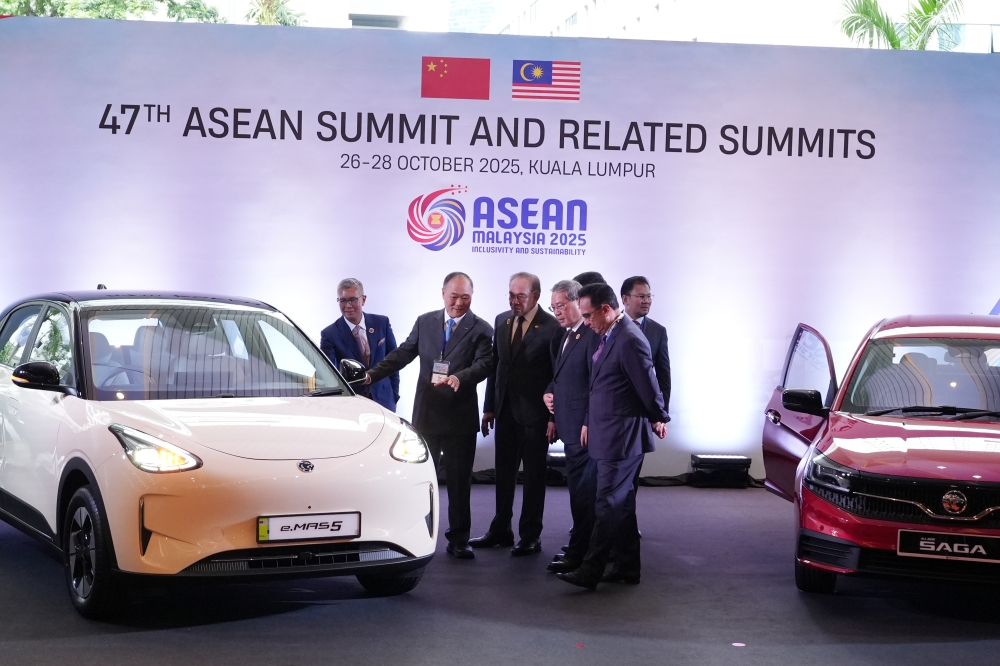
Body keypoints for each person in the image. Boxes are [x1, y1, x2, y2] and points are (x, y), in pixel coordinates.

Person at [365, 272, 494, 559]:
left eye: (465, 298)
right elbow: (403, 354)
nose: (459, 303)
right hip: (427, 414)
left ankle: (459, 539)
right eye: (454, 296)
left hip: (460, 417)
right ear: (443, 294)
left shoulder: (482, 329)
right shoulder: (425, 322)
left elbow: (485, 364)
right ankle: (413, 535)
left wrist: (461, 377)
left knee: (460, 482)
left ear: (472, 297)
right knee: (420, 480)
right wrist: (371, 376)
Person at [556, 283, 668, 590]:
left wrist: (659, 416)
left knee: (606, 502)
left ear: (607, 309)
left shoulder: (630, 339)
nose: (587, 322)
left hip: (623, 437)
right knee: (623, 503)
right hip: (606, 432)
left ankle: (590, 570)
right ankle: (627, 567)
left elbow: (648, 384)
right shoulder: (607, 334)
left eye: (590, 315)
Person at [472, 272, 562, 556]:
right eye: (511, 295)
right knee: (504, 474)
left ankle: (530, 535)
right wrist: (488, 407)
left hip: (536, 416)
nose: (514, 301)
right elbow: (496, 368)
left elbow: (557, 375)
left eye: (520, 296)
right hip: (505, 411)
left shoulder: (552, 326)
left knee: (534, 477)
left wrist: (553, 418)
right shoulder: (502, 321)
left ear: (535, 296)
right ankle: (501, 530)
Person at [542, 279, 599, 574]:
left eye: (562, 306)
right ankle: (579, 547)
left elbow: (596, 384)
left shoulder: (592, 336)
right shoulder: (564, 335)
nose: (557, 312)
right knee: (578, 493)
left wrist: (588, 421)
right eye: (553, 308)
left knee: (584, 495)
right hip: (568, 426)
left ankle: (581, 555)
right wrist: (548, 393)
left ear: (579, 302)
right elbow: (559, 376)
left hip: (584, 431)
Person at [320, 278, 400, 412]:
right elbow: (327, 374)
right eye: (343, 300)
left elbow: (394, 362)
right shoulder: (329, 334)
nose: (348, 305)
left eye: (352, 299)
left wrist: (394, 396)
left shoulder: (382, 323)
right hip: (352, 404)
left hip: (384, 400)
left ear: (363, 299)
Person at [620, 276, 671, 411]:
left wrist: (662, 413)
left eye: (649, 296)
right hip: (614, 410)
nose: (647, 301)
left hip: (645, 409)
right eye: (641, 296)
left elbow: (663, 374)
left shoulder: (658, 331)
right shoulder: (609, 326)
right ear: (625, 299)